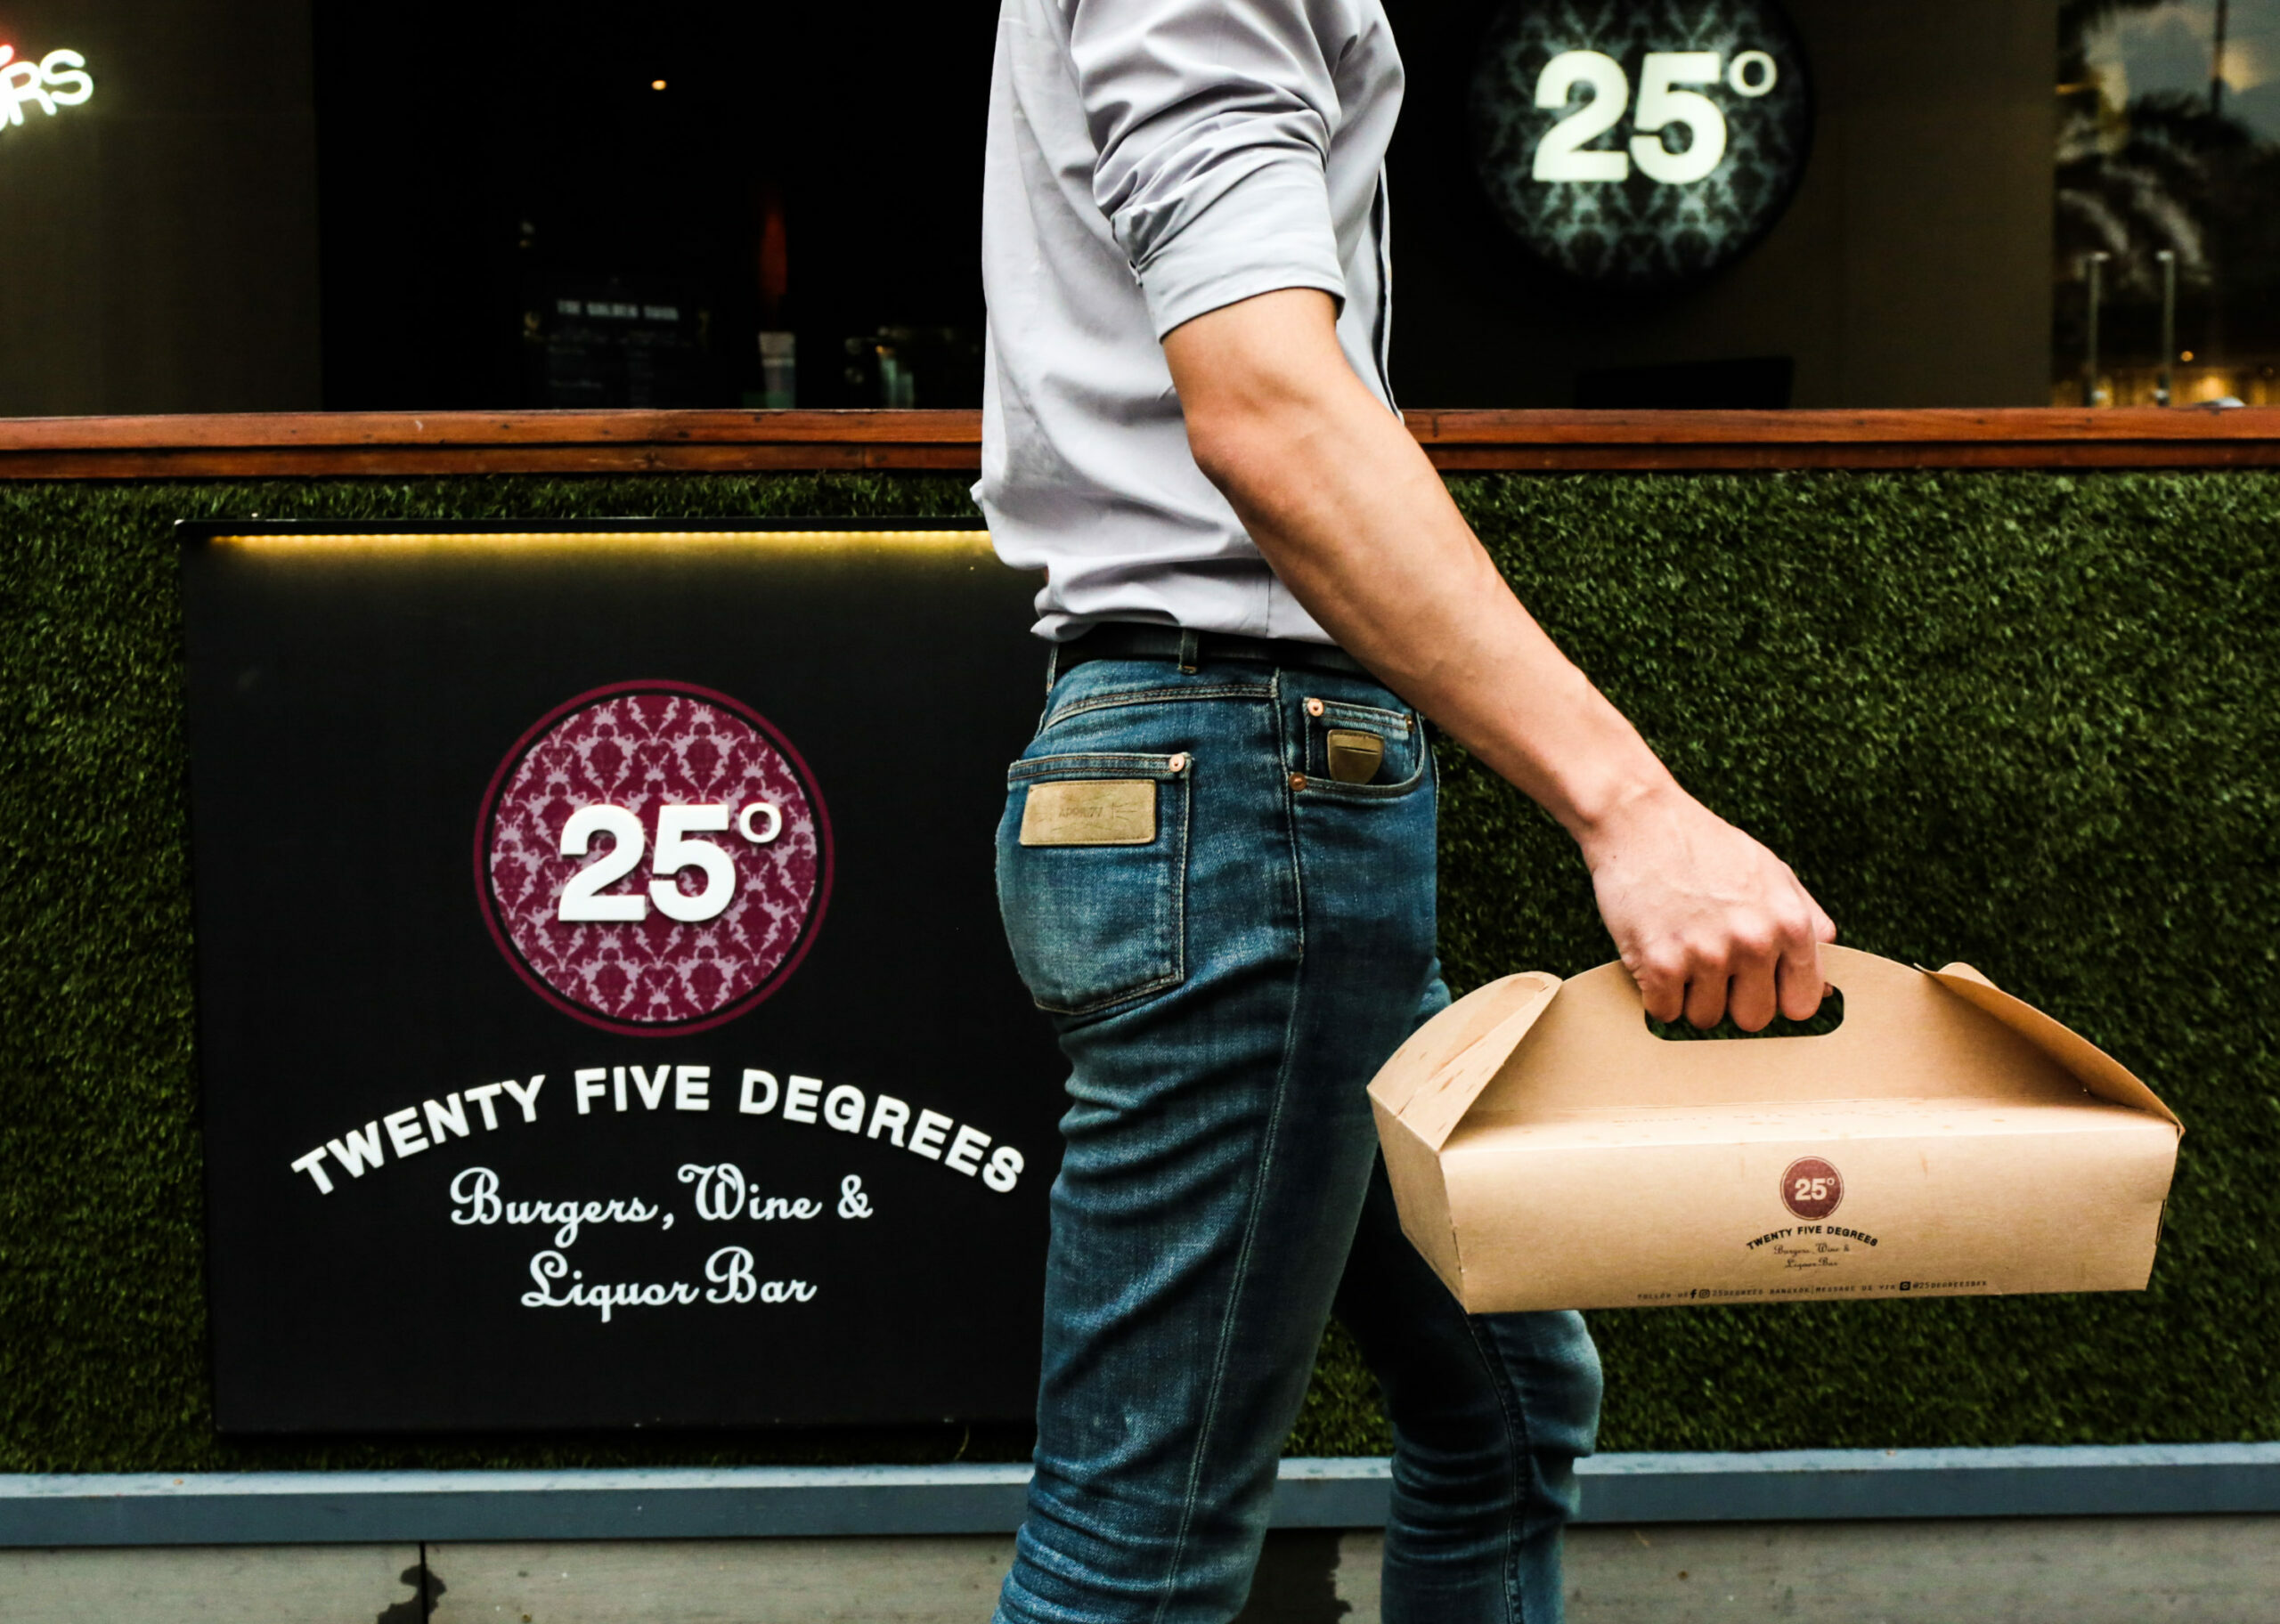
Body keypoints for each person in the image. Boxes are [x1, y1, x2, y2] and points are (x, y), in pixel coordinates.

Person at [973, 1, 1836, 1619]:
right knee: (1135, 1554)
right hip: (1250, 784)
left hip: (1248, 782)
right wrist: (1633, 807)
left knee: (1506, 1400)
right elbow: (1265, 404)